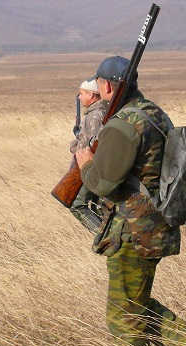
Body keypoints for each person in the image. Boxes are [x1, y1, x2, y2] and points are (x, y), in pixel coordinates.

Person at [75, 56, 186, 346]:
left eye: (98, 84)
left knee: (123, 316)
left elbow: (103, 182)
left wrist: (85, 163)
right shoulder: (154, 113)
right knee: (134, 303)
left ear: (107, 86)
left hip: (132, 231)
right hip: (155, 226)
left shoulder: (124, 123)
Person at [69, 78, 108, 233]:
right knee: (99, 206)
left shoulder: (94, 116)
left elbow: (90, 147)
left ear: (92, 95)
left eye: (82, 93)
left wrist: (74, 146)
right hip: (97, 168)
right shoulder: (97, 114)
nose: (79, 97)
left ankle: (104, 238)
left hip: (92, 168)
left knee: (77, 205)